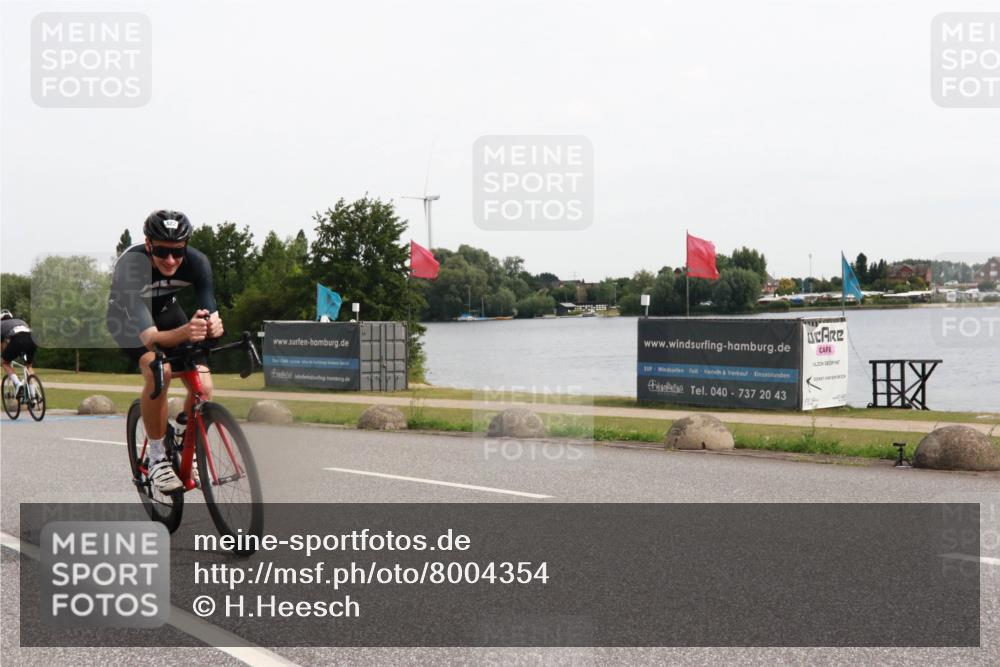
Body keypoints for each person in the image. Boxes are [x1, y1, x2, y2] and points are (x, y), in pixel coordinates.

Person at [106, 210, 224, 492]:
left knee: (204, 386)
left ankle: (185, 437)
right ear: (148, 244)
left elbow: (209, 308)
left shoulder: (198, 262)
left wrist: (213, 325)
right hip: (128, 320)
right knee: (160, 370)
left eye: (177, 252)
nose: (170, 260)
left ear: (186, 247)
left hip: (168, 311)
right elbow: (150, 338)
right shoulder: (131, 266)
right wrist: (187, 332)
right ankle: (158, 457)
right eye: (161, 251)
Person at [1, 310, 38, 397]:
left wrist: (4, 355)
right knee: (29, 366)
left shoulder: (1, 325)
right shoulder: (20, 321)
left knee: (4, 363)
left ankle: (18, 384)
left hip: (18, 340)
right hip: (32, 340)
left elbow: (2, 345)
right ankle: (33, 396)